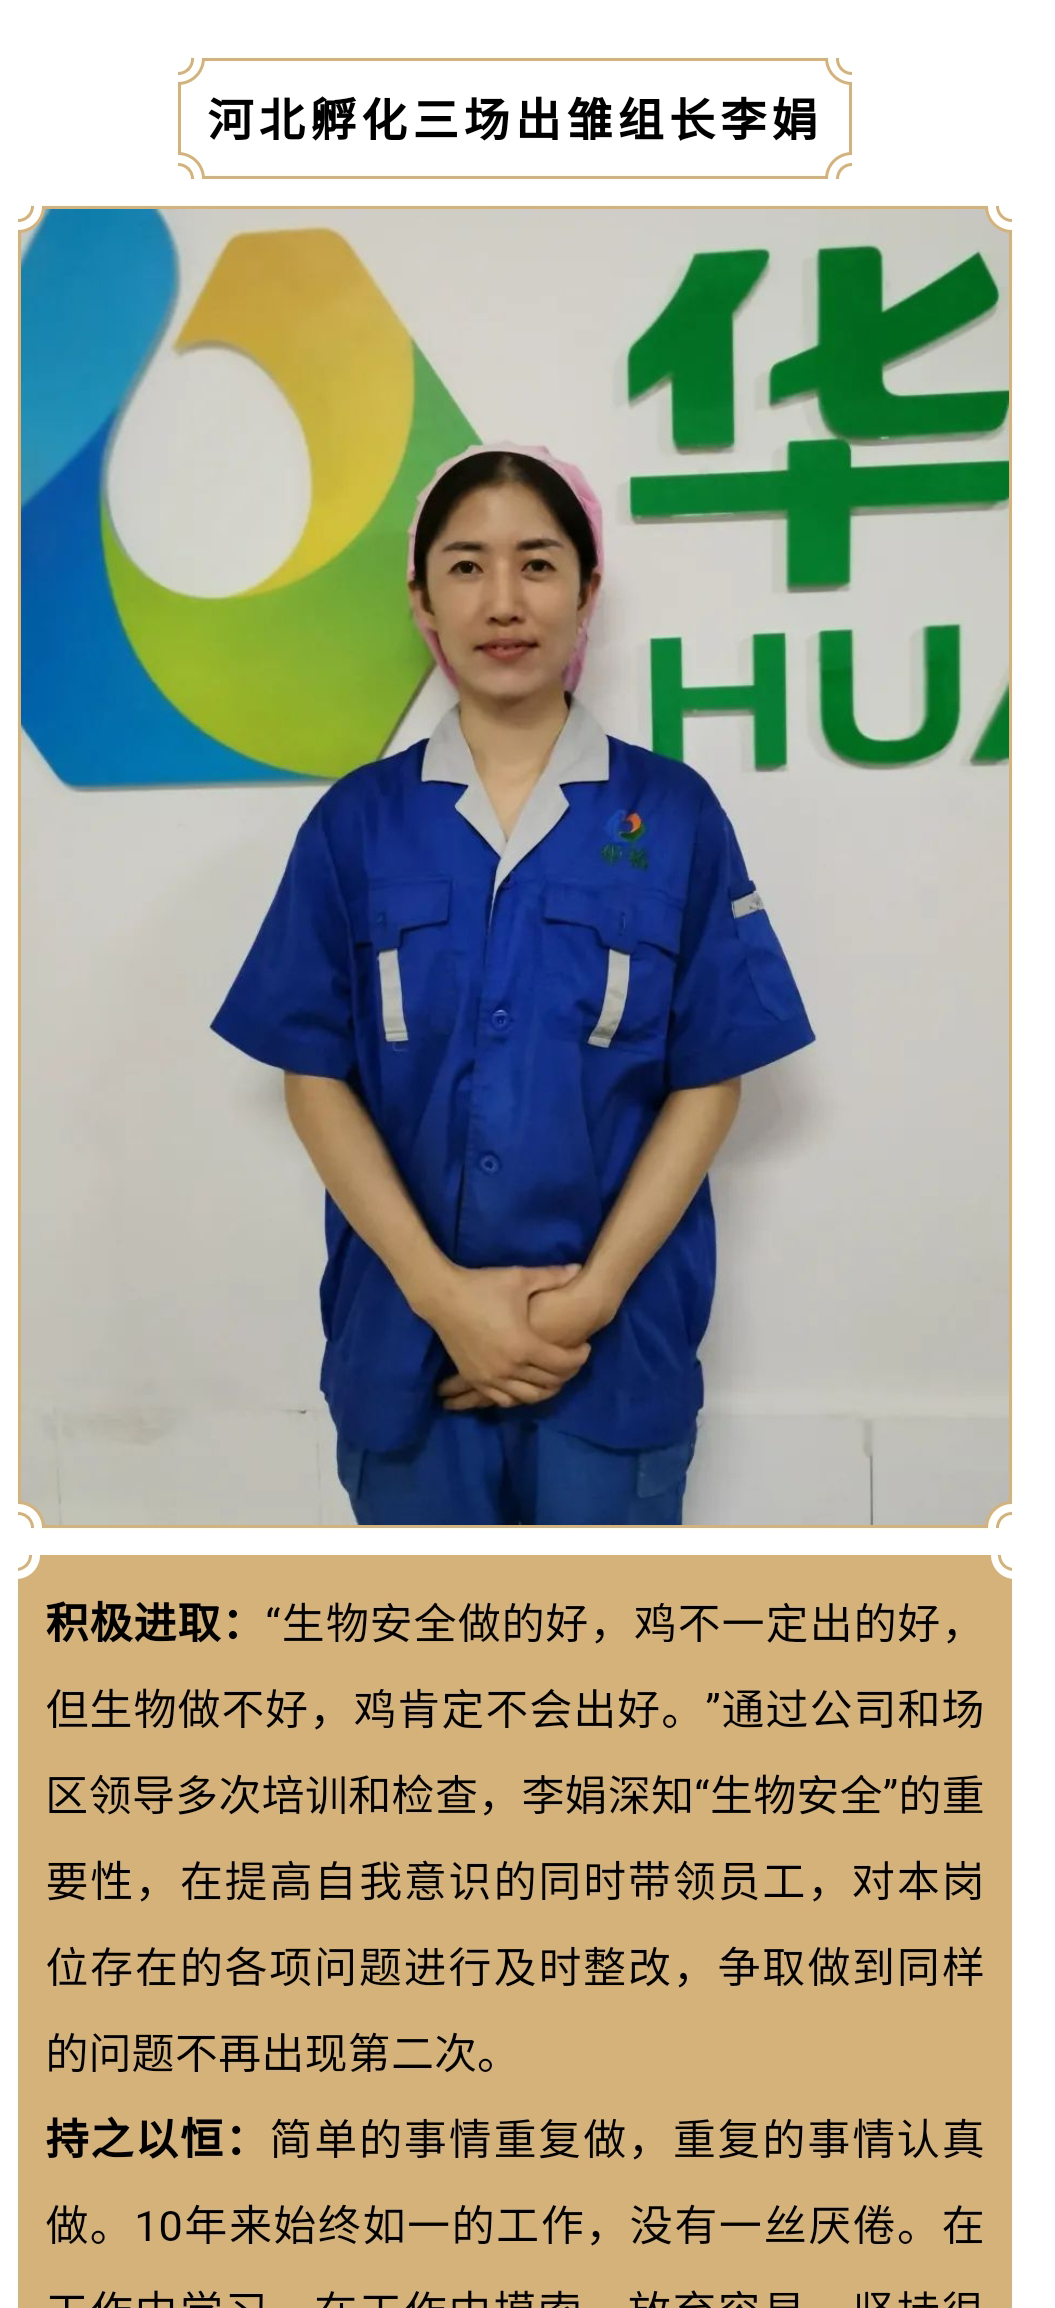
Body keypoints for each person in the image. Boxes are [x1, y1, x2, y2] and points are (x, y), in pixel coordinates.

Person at [211, 441, 814, 1525]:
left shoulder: (673, 815)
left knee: (600, 1644)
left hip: (612, 1351)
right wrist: (445, 1298)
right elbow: (314, 1075)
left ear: (587, 591)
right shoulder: (357, 825)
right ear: (422, 600)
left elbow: (710, 1075)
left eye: (537, 564)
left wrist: (587, 1300)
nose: (503, 601)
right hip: (408, 1347)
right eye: (466, 565)